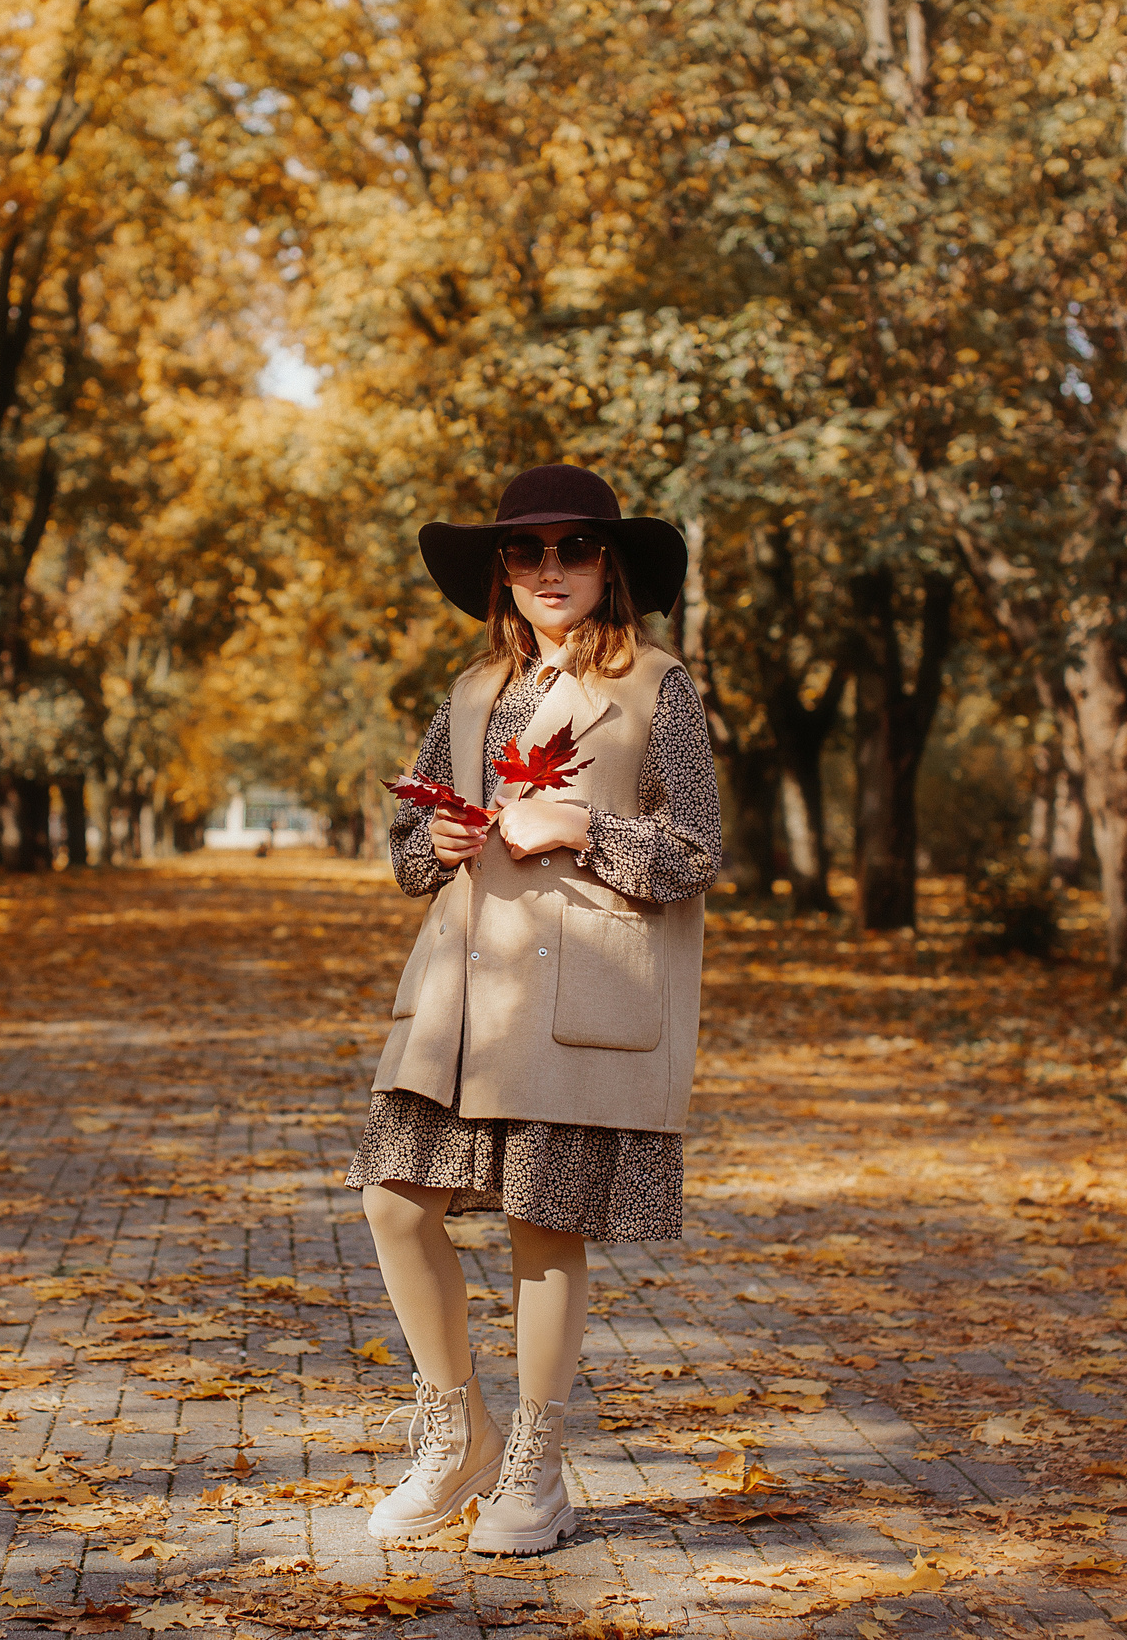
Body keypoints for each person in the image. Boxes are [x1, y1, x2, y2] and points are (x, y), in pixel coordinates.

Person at [348, 463, 722, 1556]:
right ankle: (458, 1431)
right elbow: (408, 855)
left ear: (611, 565)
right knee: (392, 1200)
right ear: (500, 571)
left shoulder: (658, 686)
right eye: (526, 550)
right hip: (459, 996)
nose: (550, 568)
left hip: (579, 993)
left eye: (575, 548)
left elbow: (697, 848)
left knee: (542, 1224)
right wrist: (436, 842)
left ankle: (536, 1471)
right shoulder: (469, 692)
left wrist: (583, 830)